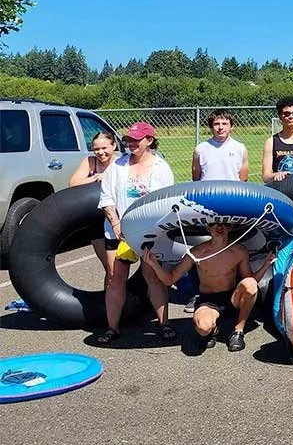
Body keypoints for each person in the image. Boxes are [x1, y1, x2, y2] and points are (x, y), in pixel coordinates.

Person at [96, 122, 175, 345]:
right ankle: (112, 327)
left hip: (149, 234)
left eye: (135, 140)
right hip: (118, 234)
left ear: (149, 140)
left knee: (153, 277)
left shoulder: (161, 167)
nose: (130, 144)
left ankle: (164, 323)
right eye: (128, 140)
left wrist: (153, 231)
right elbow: (107, 199)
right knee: (115, 278)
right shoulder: (117, 166)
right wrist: (116, 224)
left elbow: (165, 202)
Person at [141, 223, 273, 352]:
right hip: (209, 301)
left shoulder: (239, 251)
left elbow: (250, 279)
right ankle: (213, 328)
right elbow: (170, 279)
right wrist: (154, 264)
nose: (219, 228)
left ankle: (238, 331)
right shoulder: (197, 252)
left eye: (223, 224)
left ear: (230, 227)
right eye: (214, 225)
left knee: (250, 284)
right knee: (203, 328)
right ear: (207, 228)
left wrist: (266, 265)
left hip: (232, 298)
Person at [70, 132, 118, 267]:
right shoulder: (90, 161)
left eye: (104, 148)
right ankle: (114, 287)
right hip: (96, 217)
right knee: (109, 266)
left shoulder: (121, 162)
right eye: (96, 149)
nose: (100, 152)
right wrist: (96, 177)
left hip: (117, 217)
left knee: (120, 264)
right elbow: (73, 183)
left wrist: (107, 177)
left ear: (113, 146)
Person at [192, 109, 249, 182]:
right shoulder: (200, 149)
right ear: (211, 127)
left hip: (232, 192)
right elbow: (196, 179)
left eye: (224, 124)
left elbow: (243, 179)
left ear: (231, 126)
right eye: (216, 124)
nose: (220, 127)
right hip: (207, 192)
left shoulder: (240, 148)